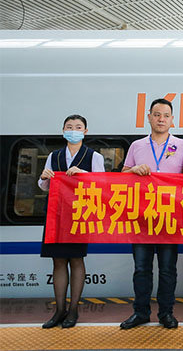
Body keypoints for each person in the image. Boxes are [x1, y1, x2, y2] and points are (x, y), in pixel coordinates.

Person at [119, 98, 183, 330]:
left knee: (168, 269)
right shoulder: (136, 146)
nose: (161, 119)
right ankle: (140, 312)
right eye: (157, 115)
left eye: (166, 115)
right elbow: (121, 176)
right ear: (149, 117)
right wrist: (133, 170)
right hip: (141, 217)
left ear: (172, 120)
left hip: (170, 218)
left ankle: (166, 313)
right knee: (141, 268)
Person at [38, 114, 105, 329]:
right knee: (58, 261)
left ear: (85, 131)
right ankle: (59, 310)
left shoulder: (94, 156)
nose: (73, 130)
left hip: (79, 215)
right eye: (69, 127)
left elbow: (102, 185)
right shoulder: (54, 155)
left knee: (76, 260)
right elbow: (44, 186)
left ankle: (73, 310)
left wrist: (83, 174)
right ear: (63, 131)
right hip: (56, 214)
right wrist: (43, 178)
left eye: (78, 127)